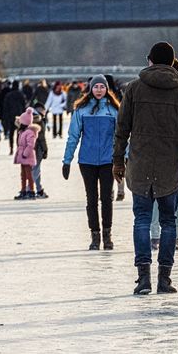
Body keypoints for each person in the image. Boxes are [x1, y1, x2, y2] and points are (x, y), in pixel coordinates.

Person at [113, 41, 178, 296]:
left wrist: (118, 159)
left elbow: (122, 129)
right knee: (169, 222)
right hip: (170, 167)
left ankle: (143, 279)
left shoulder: (134, 89)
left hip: (139, 164)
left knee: (141, 219)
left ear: (150, 60)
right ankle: (164, 278)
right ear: (173, 62)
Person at [62, 75, 119, 250]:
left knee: (107, 199)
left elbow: (122, 137)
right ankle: (95, 236)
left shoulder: (114, 110)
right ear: (91, 89)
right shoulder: (82, 110)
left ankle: (107, 236)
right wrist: (67, 160)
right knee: (91, 199)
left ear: (107, 89)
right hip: (87, 161)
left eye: (102, 87)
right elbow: (73, 136)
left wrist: (122, 158)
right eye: (96, 87)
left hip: (108, 160)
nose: (99, 90)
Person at [13, 108, 39, 199]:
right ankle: (23, 190)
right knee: (23, 175)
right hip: (22, 156)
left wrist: (25, 153)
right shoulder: (22, 132)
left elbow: (30, 145)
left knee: (28, 174)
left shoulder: (30, 132)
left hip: (27, 156)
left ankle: (31, 191)